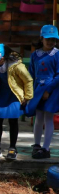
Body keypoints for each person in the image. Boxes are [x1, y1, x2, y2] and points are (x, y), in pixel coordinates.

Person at [0, 44, 34, 160]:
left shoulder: (16, 66)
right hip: (0, 93)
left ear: (2, 59)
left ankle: (12, 147)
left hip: (14, 95)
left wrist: (27, 96)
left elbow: (28, 80)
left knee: (13, 121)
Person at [25, 25, 59, 159]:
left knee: (48, 117)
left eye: (53, 39)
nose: (50, 42)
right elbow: (30, 74)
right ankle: (37, 145)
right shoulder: (35, 55)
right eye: (47, 39)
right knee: (38, 117)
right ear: (41, 38)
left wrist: (48, 91)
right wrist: (29, 92)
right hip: (37, 89)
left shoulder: (57, 54)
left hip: (52, 90)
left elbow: (58, 75)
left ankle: (46, 148)